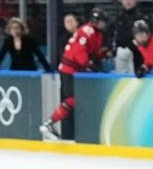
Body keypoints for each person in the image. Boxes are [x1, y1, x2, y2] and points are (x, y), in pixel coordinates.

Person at [40, 8, 107, 141]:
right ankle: (48, 123)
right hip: (69, 69)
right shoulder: (87, 31)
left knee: (73, 100)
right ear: (98, 21)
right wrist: (88, 64)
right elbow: (79, 52)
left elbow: (93, 51)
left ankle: (50, 124)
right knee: (72, 99)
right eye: (103, 21)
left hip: (75, 69)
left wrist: (102, 54)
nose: (105, 24)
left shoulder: (95, 33)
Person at [110, 0, 142, 73]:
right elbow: (112, 34)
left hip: (136, 55)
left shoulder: (140, 17)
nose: (128, 1)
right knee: (120, 80)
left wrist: (132, 47)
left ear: (135, 0)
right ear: (122, 1)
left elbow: (144, 38)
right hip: (120, 53)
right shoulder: (118, 17)